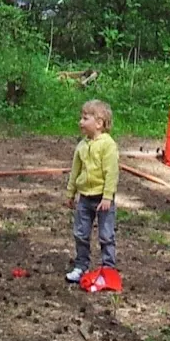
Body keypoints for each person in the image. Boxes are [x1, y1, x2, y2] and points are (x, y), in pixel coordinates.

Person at [65, 99, 119, 283]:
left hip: (103, 199)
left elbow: (111, 173)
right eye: (81, 118)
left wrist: (107, 196)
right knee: (81, 233)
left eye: (85, 118)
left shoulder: (108, 145)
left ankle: (108, 270)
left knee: (106, 235)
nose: (80, 122)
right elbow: (75, 171)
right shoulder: (81, 146)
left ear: (99, 122)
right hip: (84, 199)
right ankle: (81, 266)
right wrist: (70, 193)